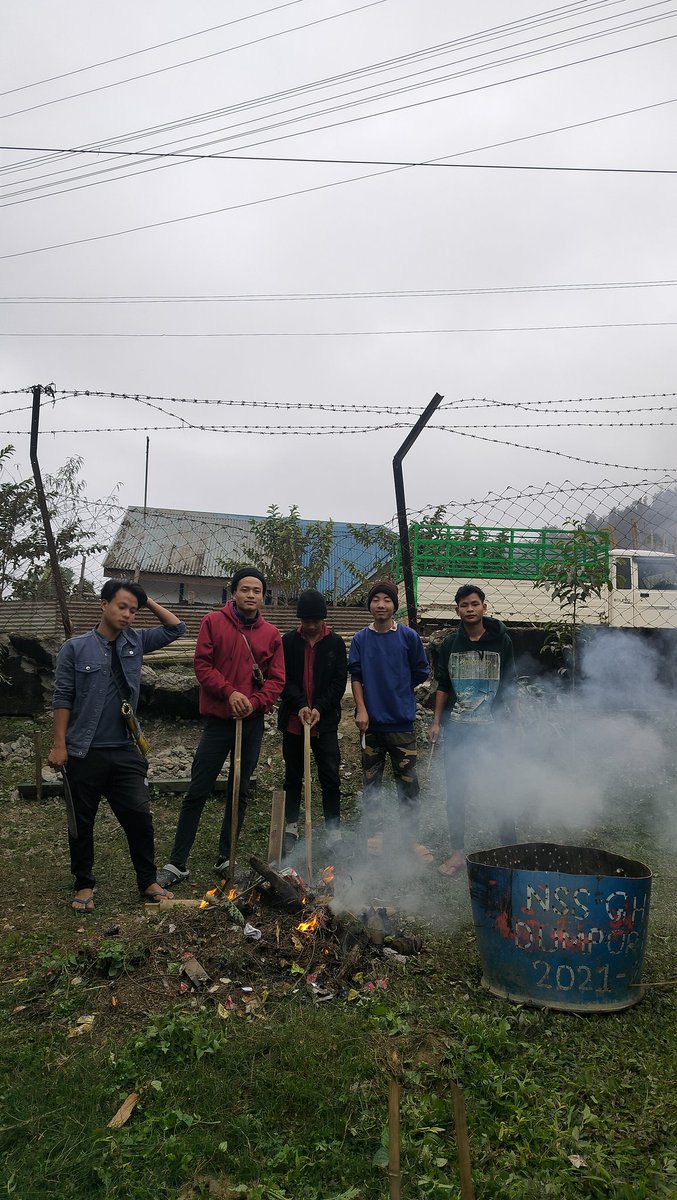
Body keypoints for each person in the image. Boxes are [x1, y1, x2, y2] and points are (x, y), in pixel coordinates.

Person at [48, 580, 186, 911]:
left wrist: (145, 597)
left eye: (133, 610)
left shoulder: (136, 641)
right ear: (104, 605)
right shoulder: (75, 648)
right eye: (121, 606)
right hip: (84, 749)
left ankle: (148, 880)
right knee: (81, 822)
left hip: (126, 748)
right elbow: (63, 696)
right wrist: (59, 744)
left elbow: (176, 628)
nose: (127, 615)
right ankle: (84, 885)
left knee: (139, 816)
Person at [157, 568, 284, 887]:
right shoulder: (213, 623)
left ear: (263, 596)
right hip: (219, 721)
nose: (251, 595)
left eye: (257, 590)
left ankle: (226, 857)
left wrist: (254, 702)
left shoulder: (271, 634)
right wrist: (231, 692)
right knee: (198, 787)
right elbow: (202, 665)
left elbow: (277, 679)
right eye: (245, 589)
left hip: (251, 723)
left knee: (239, 791)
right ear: (234, 592)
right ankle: (177, 863)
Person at [429, 584, 518, 876]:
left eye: (475, 604)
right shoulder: (450, 645)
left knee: (501, 788)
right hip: (458, 730)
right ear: (457, 610)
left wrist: (514, 721)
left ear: (484, 607)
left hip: (492, 730)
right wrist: (436, 722)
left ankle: (508, 850)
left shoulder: (501, 641)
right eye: (464, 605)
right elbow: (443, 684)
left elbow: (509, 684)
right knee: (457, 792)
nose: (470, 609)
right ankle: (457, 852)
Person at [348, 580, 432, 860]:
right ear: (369, 605)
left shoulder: (408, 637)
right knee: (372, 782)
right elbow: (356, 676)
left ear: (394, 605)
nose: (381, 604)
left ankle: (411, 838)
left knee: (408, 783)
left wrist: (400, 687)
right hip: (371, 725)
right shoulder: (361, 639)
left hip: (402, 724)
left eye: (387, 599)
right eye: (375, 599)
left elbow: (421, 671)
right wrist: (361, 708)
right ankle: (376, 835)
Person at [277, 589, 348, 855]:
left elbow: (339, 682)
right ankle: (292, 827)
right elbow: (283, 679)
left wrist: (318, 707)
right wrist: (300, 705)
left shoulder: (336, 644)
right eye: (305, 621)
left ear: (323, 619)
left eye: (315, 621)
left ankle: (333, 830)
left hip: (325, 721)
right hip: (295, 720)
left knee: (330, 775)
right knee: (293, 775)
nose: (310, 626)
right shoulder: (289, 642)